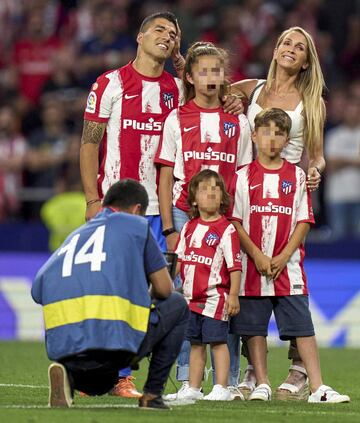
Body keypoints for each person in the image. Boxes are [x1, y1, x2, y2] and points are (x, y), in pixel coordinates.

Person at [79, 12, 242, 396]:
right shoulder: (109, 84)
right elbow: (89, 143)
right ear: (139, 35)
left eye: (173, 34)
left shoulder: (176, 88)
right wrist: (91, 197)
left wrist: (237, 98)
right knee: (112, 289)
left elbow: (213, 90)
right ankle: (94, 369)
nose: (167, 37)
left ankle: (124, 375)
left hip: (164, 207)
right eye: (159, 30)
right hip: (117, 206)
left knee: (155, 296)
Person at [31, 179, 189, 410]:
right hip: (113, 349)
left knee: (100, 379)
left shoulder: (75, 235)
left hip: (65, 350)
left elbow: (37, 290)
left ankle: (68, 376)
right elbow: (164, 290)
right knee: (177, 303)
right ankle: (152, 394)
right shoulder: (137, 226)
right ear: (137, 210)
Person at [230, 26, 326, 398]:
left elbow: (315, 153)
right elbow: (207, 84)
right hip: (248, 194)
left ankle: (300, 368)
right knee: (247, 280)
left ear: (306, 62)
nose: (290, 49)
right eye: (286, 42)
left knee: (290, 281)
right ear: (275, 48)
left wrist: (315, 170)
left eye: (299, 48)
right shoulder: (250, 88)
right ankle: (255, 371)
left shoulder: (311, 100)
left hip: (288, 198)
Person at [229, 107, 350, 403]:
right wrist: (257, 254)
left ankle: (318, 386)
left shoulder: (297, 176)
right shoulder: (242, 177)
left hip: (289, 268)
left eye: (279, 133)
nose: (272, 139)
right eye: (266, 132)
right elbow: (235, 221)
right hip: (252, 267)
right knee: (254, 329)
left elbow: (303, 221)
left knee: (302, 328)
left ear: (287, 140)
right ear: (254, 136)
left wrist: (283, 256)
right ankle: (262, 382)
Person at [155, 41, 252, 398]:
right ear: (191, 77)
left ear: (224, 77)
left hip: (226, 219)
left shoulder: (237, 120)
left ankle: (227, 381)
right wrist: (169, 228)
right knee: (185, 297)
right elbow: (166, 176)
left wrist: (240, 221)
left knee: (226, 295)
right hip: (185, 213)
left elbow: (242, 177)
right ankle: (186, 380)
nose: (211, 77)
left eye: (217, 71)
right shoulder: (177, 118)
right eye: (203, 71)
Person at [174, 170, 241, 401]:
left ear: (223, 197)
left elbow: (235, 266)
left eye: (216, 188)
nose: (211, 193)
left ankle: (221, 386)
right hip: (190, 299)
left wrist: (233, 295)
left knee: (218, 342)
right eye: (204, 189)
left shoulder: (227, 229)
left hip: (215, 299)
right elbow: (179, 260)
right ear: (193, 199)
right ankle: (193, 387)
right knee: (195, 343)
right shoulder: (189, 228)